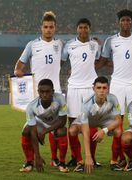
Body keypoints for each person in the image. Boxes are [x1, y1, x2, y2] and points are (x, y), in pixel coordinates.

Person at [14, 11, 64, 168]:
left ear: (55, 28)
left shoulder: (61, 44)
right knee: (29, 129)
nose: (48, 29)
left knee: (57, 128)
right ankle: (30, 161)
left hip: (55, 93)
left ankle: (55, 159)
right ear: (41, 28)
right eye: (46, 27)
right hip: (37, 94)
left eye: (51, 27)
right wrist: (18, 73)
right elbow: (18, 67)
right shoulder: (32, 45)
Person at [100, 9, 132, 165]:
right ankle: (115, 158)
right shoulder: (111, 41)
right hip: (117, 83)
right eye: (123, 20)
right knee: (117, 122)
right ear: (118, 22)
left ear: (131, 22)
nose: (125, 23)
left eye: (128, 20)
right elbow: (103, 60)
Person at [61, 18, 101, 171]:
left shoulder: (95, 44)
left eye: (86, 27)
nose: (83, 30)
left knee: (91, 124)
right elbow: (62, 62)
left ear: (89, 29)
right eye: (80, 27)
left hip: (90, 88)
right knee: (72, 124)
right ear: (77, 29)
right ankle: (76, 158)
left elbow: (101, 60)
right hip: (74, 88)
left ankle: (92, 157)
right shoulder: (69, 45)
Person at [67, 76, 123, 173]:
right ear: (93, 89)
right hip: (88, 121)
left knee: (118, 131)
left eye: (104, 88)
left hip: (104, 120)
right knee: (72, 130)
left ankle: (113, 162)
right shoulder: (86, 104)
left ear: (108, 89)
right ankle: (80, 162)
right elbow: (85, 132)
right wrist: (88, 157)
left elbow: (118, 120)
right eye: (98, 88)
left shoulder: (113, 98)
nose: (101, 91)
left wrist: (104, 131)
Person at [19, 79, 69, 173]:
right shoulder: (31, 106)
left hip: (55, 123)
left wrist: (45, 132)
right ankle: (30, 162)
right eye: (42, 92)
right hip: (40, 123)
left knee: (62, 131)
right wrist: (37, 156)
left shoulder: (60, 99)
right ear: (38, 92)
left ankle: (62, 163)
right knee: (26, 130)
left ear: (52, 92)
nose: (45, 94)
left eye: (47, 91)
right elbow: (33, 132)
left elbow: (63, 121)